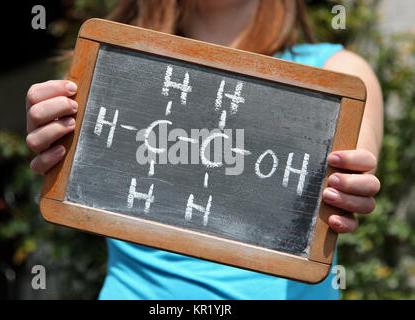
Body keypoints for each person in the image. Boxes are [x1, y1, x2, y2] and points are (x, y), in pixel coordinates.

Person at [25, 0, 383, 299]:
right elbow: (76, 180)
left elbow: (355, 163)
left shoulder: (337, 75)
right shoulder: (114, 64)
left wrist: (349, 184)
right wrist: (57, 134)